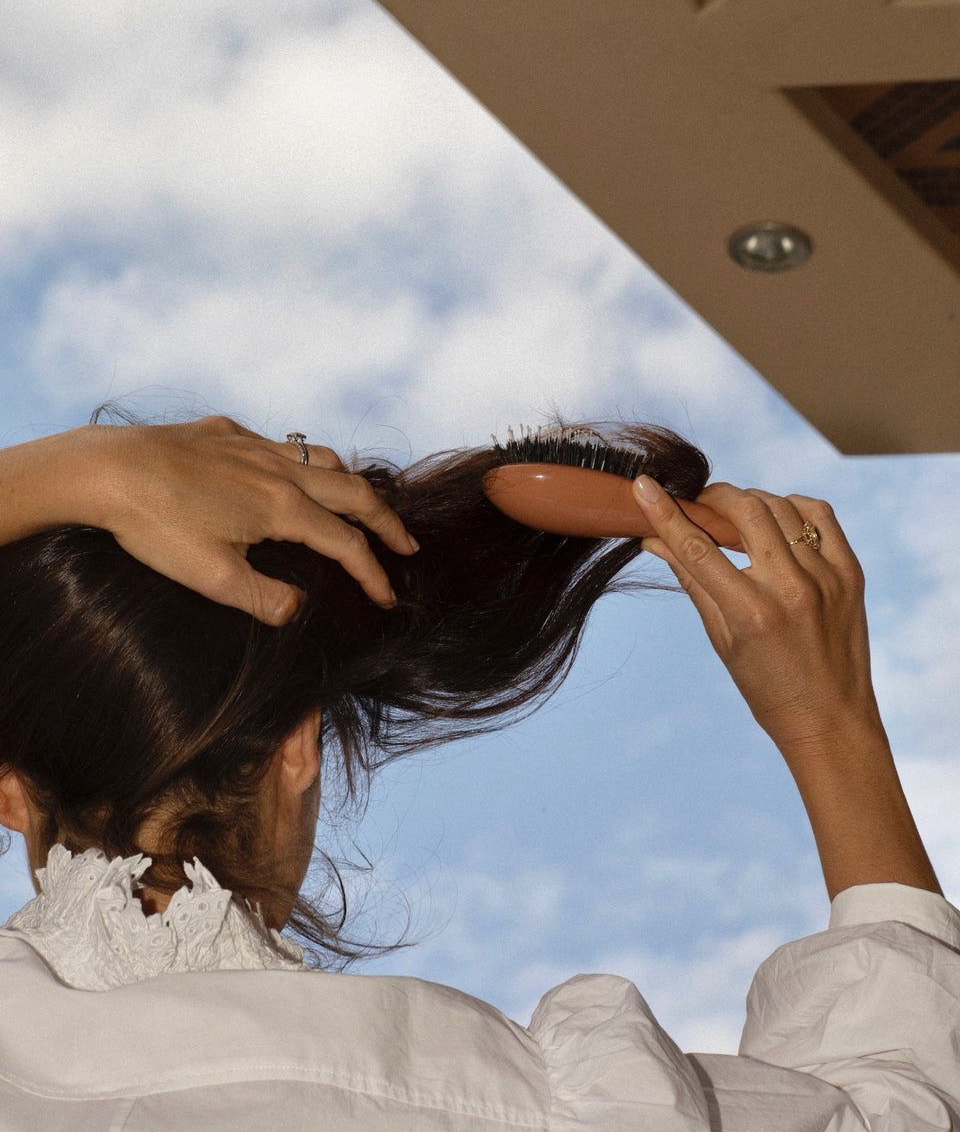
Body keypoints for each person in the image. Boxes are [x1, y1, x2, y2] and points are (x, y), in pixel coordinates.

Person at [0, 412, 955, 1131]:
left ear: (8, 793)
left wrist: (64, 473)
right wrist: (832, 724)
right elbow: (896, 1107)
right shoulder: (502, 1104)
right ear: (299, 746)